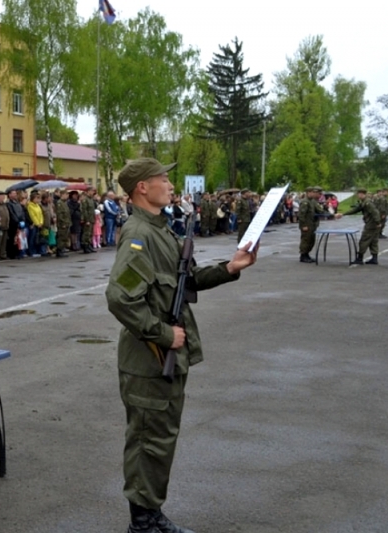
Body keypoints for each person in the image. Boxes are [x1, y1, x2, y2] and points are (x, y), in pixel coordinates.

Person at [105, 157, 257, 533]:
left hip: (164, 358)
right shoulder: (138, 234)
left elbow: (183, 280)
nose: (170, 185)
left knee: (160, 438)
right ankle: (142, 524)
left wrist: (230, 267)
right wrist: (161, 333)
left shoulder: (161, 230)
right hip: (149, 357)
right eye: (163, 179)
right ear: (142, 186)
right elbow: (120, 298)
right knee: (147, 441)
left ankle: (151, 515)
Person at [335, 188, 381, 264]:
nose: (358, 195)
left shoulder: (367, 203)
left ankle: (359, 259)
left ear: (362, 194)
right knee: (373, 241)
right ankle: (374, 258)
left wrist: (378, 222)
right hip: (373, 224)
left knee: (364, 241)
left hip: (371, 224)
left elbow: (375, 212)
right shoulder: (364, 202)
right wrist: (343, 214)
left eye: (359, 194)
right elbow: (356, 209)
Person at [298, 186, 326, 263]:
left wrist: (331, 215)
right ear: (308, 193)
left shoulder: (312, 201)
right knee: (306, 240)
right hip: (306, 225)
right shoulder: (305, 202)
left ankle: (307, 254)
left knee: (311, 241)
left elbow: (320, 211)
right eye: (312, 192)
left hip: (312, 225)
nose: (314, 194)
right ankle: (303, 256)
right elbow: (301, 215)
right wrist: (303, 225)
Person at [0, 191, 10, 260]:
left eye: (4, 196)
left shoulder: (4, 204)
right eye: (2, 196)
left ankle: (2, 254)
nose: (3, 198)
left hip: (5, 226)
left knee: (4, 242)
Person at [55, 189, 71, 257]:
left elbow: (67, 214)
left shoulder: (65, 203)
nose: (67, 196)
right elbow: (60, 214)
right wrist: (63, 223)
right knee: (61, 238)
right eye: (66, 194)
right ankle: (59, 250)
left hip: (66, 223)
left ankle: (62, 249)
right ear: (62, 195)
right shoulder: (59, 203)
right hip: (62, 224)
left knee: (64, 237)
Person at [80, 188, 97, 253]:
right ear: (88, 191)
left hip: (91, 219)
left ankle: (89, 245)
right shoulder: (85, 200)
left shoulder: (91, 199)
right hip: (88, 219)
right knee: (86, 233)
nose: (92, 193)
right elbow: (84, 211)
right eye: (92, 191)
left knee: (90, 233)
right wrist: (86, 220)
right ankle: (85, 246)